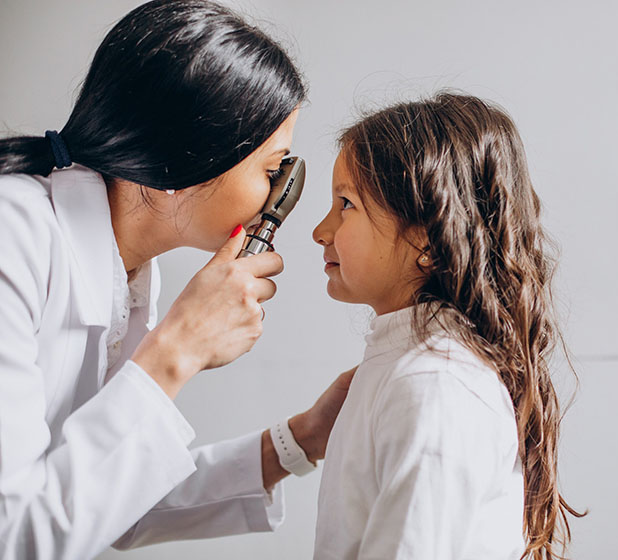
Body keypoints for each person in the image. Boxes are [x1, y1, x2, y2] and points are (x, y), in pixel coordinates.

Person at [0, 1, 353, 558]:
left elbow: (106, 499)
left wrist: (301, 440)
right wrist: (176, 351)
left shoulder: (133, 275)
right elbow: (19, 532)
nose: (278, 196)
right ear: (184, 159)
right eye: (270, 170)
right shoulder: (12, 237)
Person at [310, 93, 586, 560]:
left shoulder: (433, 386)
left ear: (426, 235)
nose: (321, 229)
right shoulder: (411, 370)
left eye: (346, 204)